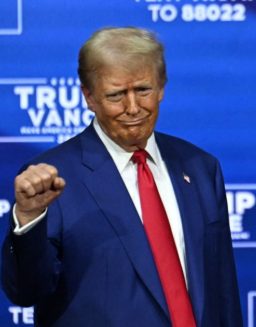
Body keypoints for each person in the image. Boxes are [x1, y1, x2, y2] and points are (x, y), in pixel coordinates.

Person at [2, 27, 243, 327]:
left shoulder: (200, 168)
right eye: (116, 95)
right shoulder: (52, 179)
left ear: (162, 87)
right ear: (89, 97)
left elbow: (224, 295)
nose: (133, 108)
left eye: (143, 90)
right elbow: (26, 291)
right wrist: (29, 217)